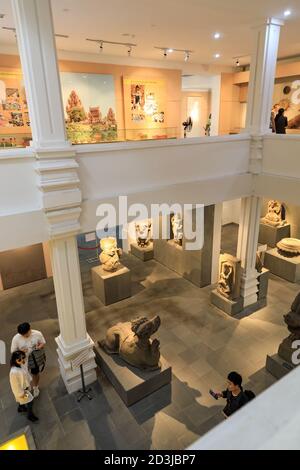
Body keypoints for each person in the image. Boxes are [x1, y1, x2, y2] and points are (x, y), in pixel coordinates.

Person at [11, 323, 46, 398]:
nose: (25, 336)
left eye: (27, 334)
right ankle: (26, 389)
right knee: (23, 375)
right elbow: (13, 352)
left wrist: (39, 347)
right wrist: (21, 351)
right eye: (23, 335)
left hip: (34, 358)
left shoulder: (37, 334)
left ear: (30, 329)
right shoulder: (16, 338)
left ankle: (36, 387)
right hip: (22, 361)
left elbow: (43, 342)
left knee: (35, 373)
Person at [9, 350, 39, 422]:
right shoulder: (13, 372)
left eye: (23, 358)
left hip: (25, 388)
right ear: (14, 360)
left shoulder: (20, 365)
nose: (22, 360)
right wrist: (21, 394)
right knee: (30, 401)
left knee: (25, 401)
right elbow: (15, 385)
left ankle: (21, 407)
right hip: (23, 391)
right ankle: (30, 415)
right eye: (19, 359)